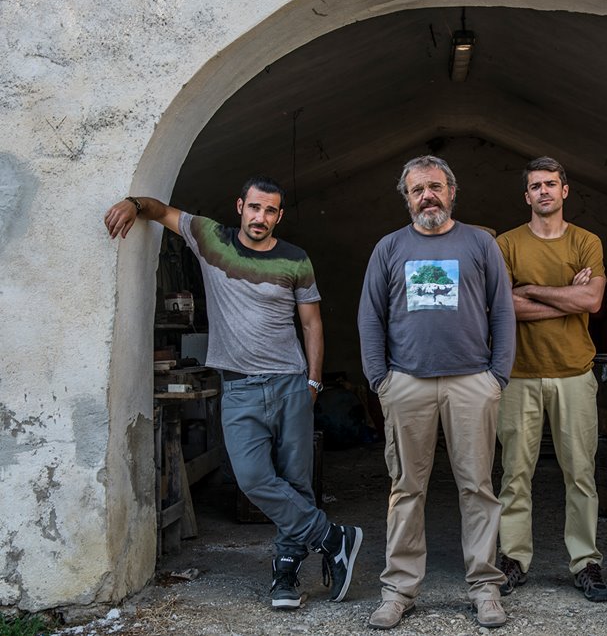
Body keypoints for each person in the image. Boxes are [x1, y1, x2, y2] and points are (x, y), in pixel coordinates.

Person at [103, 178, 362, 610]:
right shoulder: (209, 237)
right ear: (240, 206)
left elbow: (311, 323)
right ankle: (332, 537)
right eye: (255, 207)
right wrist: (133, 204)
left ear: (279, 216)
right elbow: (160, 210)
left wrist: (314, 381)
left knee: (296, 483)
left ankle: (286, 573)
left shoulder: (295, 259)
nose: (261, 217)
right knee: (253, 479)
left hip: (290, 382)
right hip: (239, 386)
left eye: (270, 211)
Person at [358, 155, 516, 630]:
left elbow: (502, 311)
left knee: (478, 488)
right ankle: (398, 590)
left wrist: (497, 376)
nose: (427, 196)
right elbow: (370, 317)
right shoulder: (389, 247)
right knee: (406, 488)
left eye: (435, 187)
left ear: (451, 192)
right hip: (407, 382)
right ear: (406, 198)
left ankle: (485, 588)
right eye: (417, 190)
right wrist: (380, 379)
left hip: (472, 382)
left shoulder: (480, 244)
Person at [495, 157, 607, 602]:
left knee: (580, 473)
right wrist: (568, 297)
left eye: (550, 184)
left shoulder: (586, 241)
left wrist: (529, 290)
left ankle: (586, 562)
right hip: (519, 374)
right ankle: (513, 558)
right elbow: (502, 307)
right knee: (515, 474)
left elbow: (593, 300)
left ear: (565, 190)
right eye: (535, 186)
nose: (543, 191)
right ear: (526, 195)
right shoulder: (507, 244)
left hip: (574, 372)